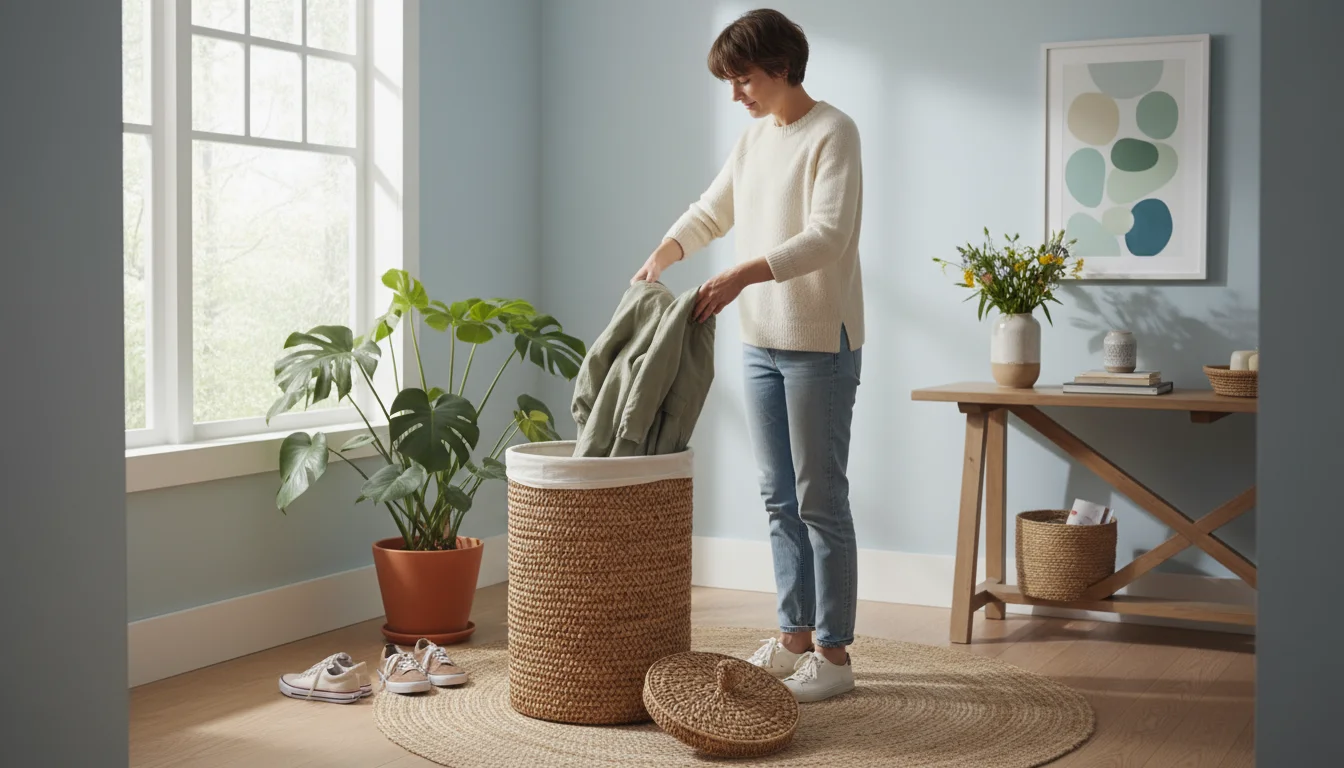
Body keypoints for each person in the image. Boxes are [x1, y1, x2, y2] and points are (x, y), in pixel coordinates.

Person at [632, 8, 864, 703]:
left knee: (819, 498)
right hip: (759, 340)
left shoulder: (834, 132)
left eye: (744, 78)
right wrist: (664, 253)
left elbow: (827, 236)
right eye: (732, 82)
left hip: (819, 340)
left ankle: (835, 653)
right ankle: (794, 635)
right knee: (776, 498)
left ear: (781, 66)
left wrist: (739, 276)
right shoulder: (755, 140)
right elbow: (712, 209)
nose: (737, 93)